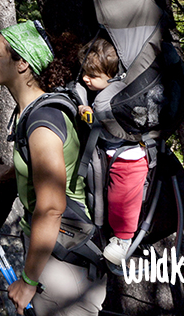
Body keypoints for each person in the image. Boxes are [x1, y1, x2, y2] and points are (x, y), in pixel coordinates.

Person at [0, 21, 106, 316]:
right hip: (64, 250)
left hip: (64, 263)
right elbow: (55, 165)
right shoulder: (44, 110)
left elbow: (51, 207)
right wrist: (13, 171)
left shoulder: (42, 123)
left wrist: (28, 281)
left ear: (23, 63)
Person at [77, 37, 149, 266]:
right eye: (85, 73)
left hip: (128, 158)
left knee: (123, 198)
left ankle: (123, 240)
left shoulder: (117, 101)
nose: (85, 79)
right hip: (113, 153)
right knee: (113, 197)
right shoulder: (104, 93)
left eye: (93, 76)